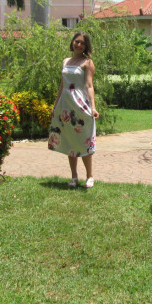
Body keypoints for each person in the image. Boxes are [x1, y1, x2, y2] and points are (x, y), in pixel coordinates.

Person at [48, 32, 99, 188]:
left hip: (80, 104)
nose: (79, 45)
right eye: (77, 41)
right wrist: (55, 106)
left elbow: (89, 85)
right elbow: (62, 85)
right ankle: (74, 177)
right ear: (72, 42)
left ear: (86, 46)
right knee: (70, 140)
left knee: (84, 140)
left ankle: (89, 176)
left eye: (82, 43)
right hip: (65, 106)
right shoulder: (65, 61)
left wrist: (93, 107)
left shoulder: (87, 62)